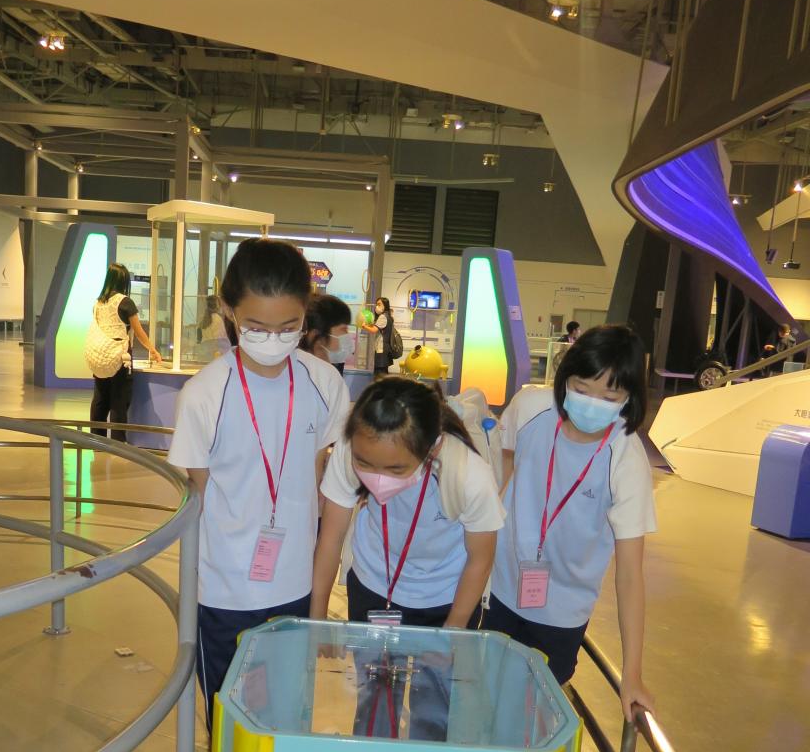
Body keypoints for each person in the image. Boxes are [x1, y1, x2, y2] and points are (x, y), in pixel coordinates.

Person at [168, 238, 350, 716]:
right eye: (256, 327)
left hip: (295, 586)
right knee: (231, 720)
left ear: (306, 314)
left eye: (288, 327)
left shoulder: (323, 383)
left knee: (289, 715)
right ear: (228, 310)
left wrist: (319, 602)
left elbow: (324, 490)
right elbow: (194, 501)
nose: (273, 339)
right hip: (223, 592)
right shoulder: (204, 394)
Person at [483, 324, 656, 721]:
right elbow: (503, 470)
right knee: (485, 703)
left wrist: (632, 674)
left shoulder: (626, 460)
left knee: (533, 718)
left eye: (609, 397)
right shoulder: (530, 408)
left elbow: (630, 574)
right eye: (581, 388)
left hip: (563, 613)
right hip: (499, 589)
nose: (592, 403)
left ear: (629, 399)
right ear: (564, 379)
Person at [311, 377, 504, 631]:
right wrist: (316, 623)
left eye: (395, 469)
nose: (378, 479)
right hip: (372, 584)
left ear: (432, 448)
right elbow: (330, 539)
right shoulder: (351, 447)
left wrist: (454, 627)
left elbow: (480, 560)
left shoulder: (469, 475)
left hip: (446, 597)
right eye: (365, 465)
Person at [87, 262, 162, 441]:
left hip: (99, 356)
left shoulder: (98, 303)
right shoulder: (125, 302)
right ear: (123, 281)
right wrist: (152, 350)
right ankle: (117, 442)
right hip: (120, 358)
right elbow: (139, 331)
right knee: (119, 401)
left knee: (100, 399)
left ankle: (96, 440)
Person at [299, 293, 354, 373]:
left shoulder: (328, 372)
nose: (347, 335)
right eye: (343, 329)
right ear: (316, 336)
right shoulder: (303, 374)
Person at [362, 296, 399, 377]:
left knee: (379, 374)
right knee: (383, 373)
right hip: (386, 349)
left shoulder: (383, 317)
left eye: (379, 304)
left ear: (385, 305)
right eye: (376, 304)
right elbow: (378, 328)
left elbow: (374, 330)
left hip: (381, 350)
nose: (377, 306)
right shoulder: (388, 316)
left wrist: (364, 326)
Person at [195, 295, 232, 362]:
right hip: (214, 353)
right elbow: (221, 340)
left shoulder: (204, 319)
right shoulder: (217, 318)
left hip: (205, 352)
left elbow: (200, 339)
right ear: (217, 306)